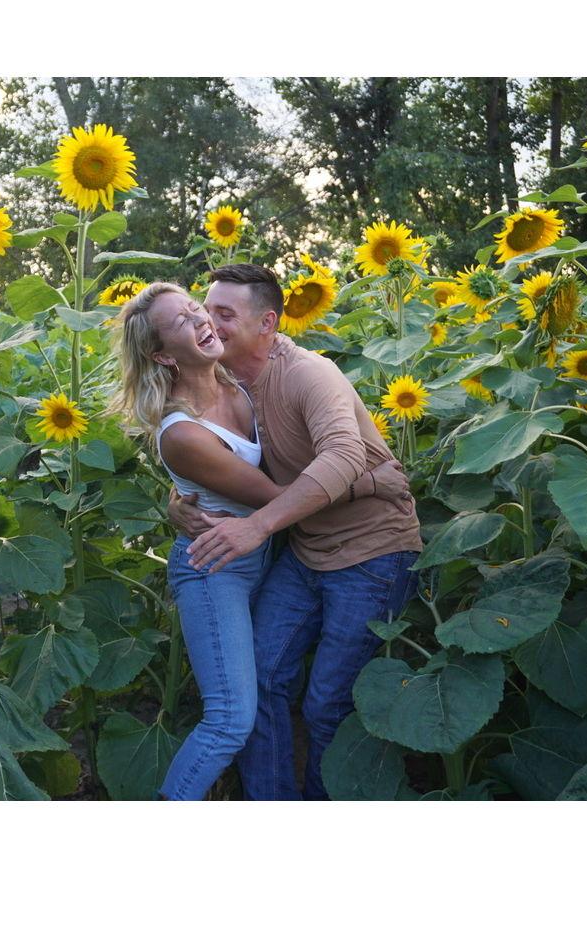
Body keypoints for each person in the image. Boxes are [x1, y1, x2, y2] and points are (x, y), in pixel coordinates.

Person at [110, 281, 413, 801]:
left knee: (297, 695)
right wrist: (371, 483)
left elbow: (285, 468)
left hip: (281, 554)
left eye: (198, 309)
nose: (202, 320)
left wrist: (180, 496)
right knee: (231, 717)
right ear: (162, 356)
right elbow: (274, 498)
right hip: (218, 565)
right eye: (184, 320)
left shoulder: (238, 382)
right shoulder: (185, 429)